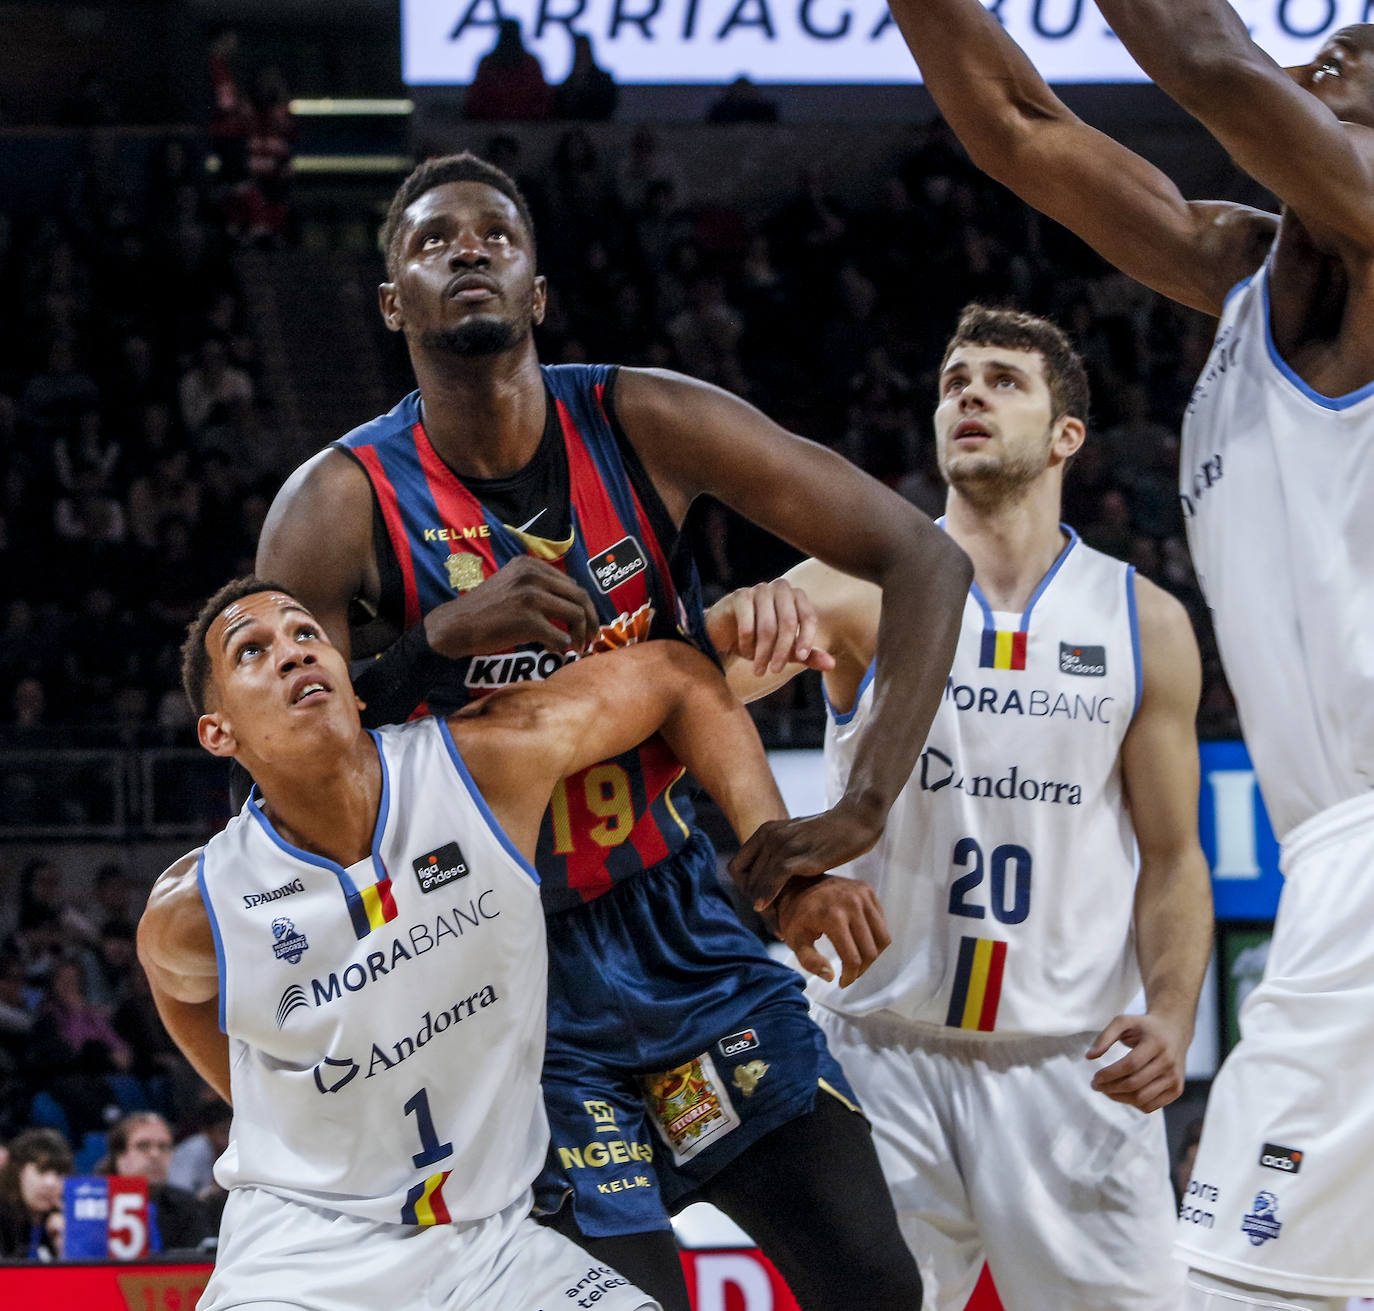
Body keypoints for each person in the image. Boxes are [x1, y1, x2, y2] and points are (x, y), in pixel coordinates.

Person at [256, 151, 971, 1309]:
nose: (469, 248)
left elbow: (924, 556)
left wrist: (859, 809)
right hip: (502, 975)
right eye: (433, 241)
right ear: (395, 305)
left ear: (538, 288)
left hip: (681, 918)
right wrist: (432, 644)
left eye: (496, 232)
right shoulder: (335, 505)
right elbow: (290, 775)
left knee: (879, 1287)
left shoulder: (644, 418)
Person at [884, 4, 1374, 1308]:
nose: (1322, 60)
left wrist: (1256, 77)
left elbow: (1204, 60)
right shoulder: (1239, 273)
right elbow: (1013, 125)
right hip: (1337, 841)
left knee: (1219, 1281)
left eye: (1354, 55)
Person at [720, 305, 1213, 1310]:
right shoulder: (854, 587)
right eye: (954, 381)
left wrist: (1171, 1011)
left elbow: (1173, 858)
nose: (970, 395)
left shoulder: (1143, 621)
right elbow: (699, 689)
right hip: (879, 1050)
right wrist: (737, 620)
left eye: (1002, 380)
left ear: (1067, 435)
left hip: (1068, 1067)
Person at [138, 577, 810, 1311]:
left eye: (307, 635)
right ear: (218, 732)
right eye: (253, 651)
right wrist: (261, 1114)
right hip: (301, 1252)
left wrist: (787, 858)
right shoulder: (200, 905)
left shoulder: (481, 768)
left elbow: (674, 674)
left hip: (492, 1245)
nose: (294, 655)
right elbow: (174, 980)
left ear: (354, 688)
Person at [103, 1112, 212, 1252]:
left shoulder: (189, 1206)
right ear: (120, 1157)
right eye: (143, 1146)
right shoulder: (94, 1203)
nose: (155, 1155)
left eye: (163, 1147)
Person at [0, 1127, 71, 1261]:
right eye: (41, 1171)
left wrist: (68, 1248)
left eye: (59, 1174)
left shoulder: (64, 1224)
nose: (50, 1183)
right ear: (18, 1172)